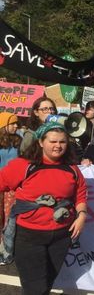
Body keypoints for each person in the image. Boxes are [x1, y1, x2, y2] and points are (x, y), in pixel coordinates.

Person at [0, 122, 87, 294]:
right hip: (29, 237)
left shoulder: (72, 169)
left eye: (62, 142)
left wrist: (82, 215)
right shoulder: (23, 165)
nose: (58, 146)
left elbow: (81, 193)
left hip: (62, 237)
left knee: (46, 284)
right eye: (53, 141)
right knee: (36, 289)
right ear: (40, 142)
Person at [0, 112, 21, 264]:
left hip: (13, 189)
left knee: (10, 222)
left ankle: (7, 252)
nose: (16, 126)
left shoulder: (19, 141)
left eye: (16, 123)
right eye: (13, 123)